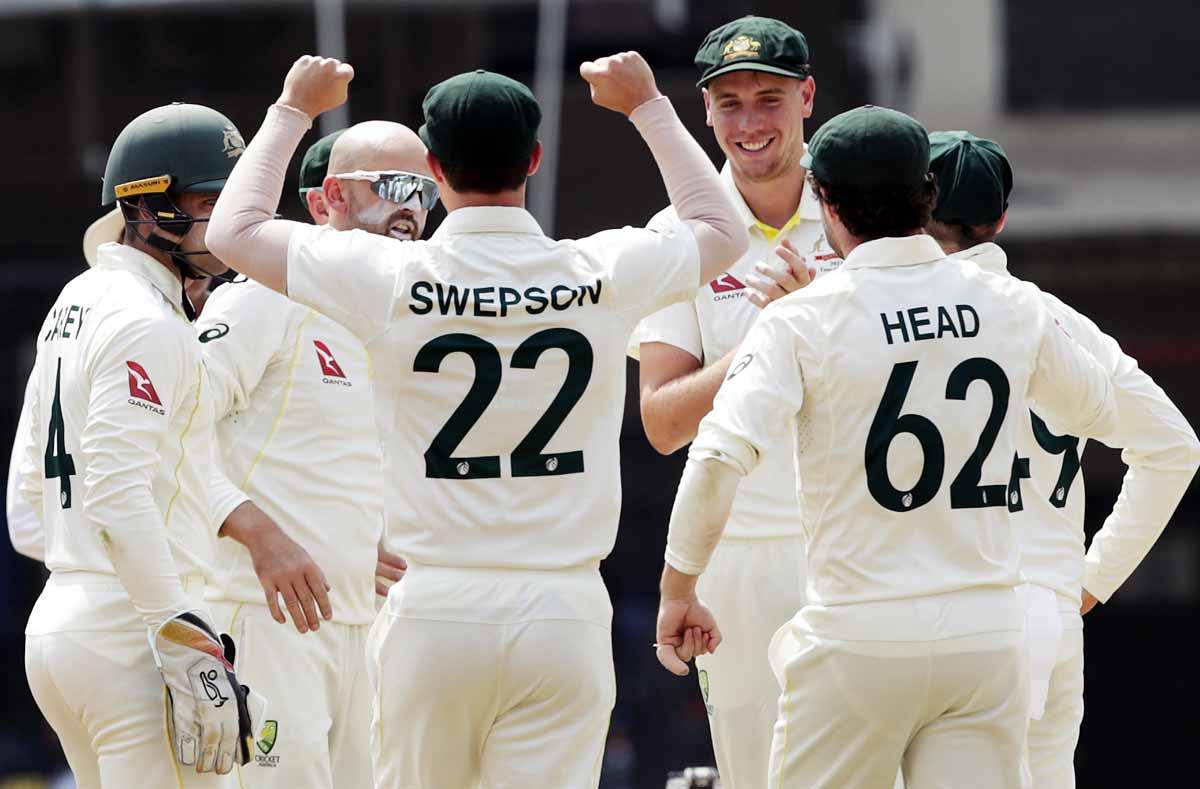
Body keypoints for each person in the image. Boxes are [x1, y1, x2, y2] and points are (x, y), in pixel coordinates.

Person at [206, 54, 747, 787]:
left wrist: (293, 107)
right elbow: (721, 225)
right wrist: (647, 104)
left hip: (435, 605)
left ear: (434, 165)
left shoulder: (389, 276)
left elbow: (232, 232)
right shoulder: (599, 268)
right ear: (534, 158)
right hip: (563, 605)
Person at [654, 105, 1119, 788]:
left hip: (859, 633)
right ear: (926, 195)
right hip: (983, 636)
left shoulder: (803, 317)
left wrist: (678, 588)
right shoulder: (1010, 303)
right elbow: (1098, 409)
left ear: (827, 202)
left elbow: (717, 456)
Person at [924, 130, 1200, 788]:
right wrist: (1088, 579)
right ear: (1000, 221)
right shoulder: (1060, 319)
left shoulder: (894, 317)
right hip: (1047, 610)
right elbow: (1174, 448)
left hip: (947, 608)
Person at [16, 103, 256, 788]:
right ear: (148, 208)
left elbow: (32, 486)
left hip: (68, 616)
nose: (228, 219)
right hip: (132, 632)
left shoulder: (77, 296)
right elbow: (119, 495)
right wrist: (182, 638)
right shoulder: (146, 320)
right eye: (210, 199)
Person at [632, 17, 837, 788]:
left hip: (857, 541)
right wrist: (765, 337)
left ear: (807, 97)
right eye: (730, 103)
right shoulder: (678, 235)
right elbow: (660, 421)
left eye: (770, 99)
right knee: (758, 774)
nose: (749, 123)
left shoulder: (861, 208)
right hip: (740, 553)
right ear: (707, 113)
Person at [195, 121, 428, 786]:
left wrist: (367, 540)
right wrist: (257, 532)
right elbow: (172, 433)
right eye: (392, 185)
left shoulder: (403, 313)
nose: (410, 204)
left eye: (424, 189)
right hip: (262, 615)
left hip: (361, 622)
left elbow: (346, 461)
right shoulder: (266, 297)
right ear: (333, 198)